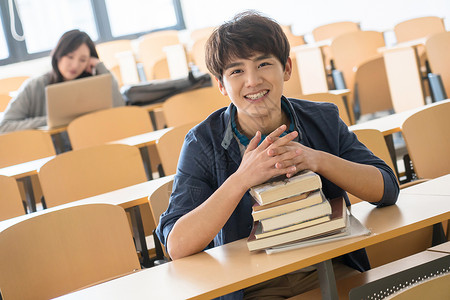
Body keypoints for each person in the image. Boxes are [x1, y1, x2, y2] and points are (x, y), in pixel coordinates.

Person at [156, 11, 399, 299]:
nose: (252, 80)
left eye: (263, 64)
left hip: (330, 268)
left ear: (286, 68)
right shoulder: (201, 142)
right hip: (253, 285)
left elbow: (387, 189)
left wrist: (316, 159)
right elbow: (177, 244)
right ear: (221, 85)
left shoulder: (322, 118)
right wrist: (242, 179)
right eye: (236, 71)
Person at [0, 29, 124, 133]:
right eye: (70, 57)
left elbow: (119, 109)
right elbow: (4, 126)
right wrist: (51, 121)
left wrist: (100, 67)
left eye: (83, 60)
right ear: (58, 54)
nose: (75, 65)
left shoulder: (92, 83)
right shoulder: (35, 86)